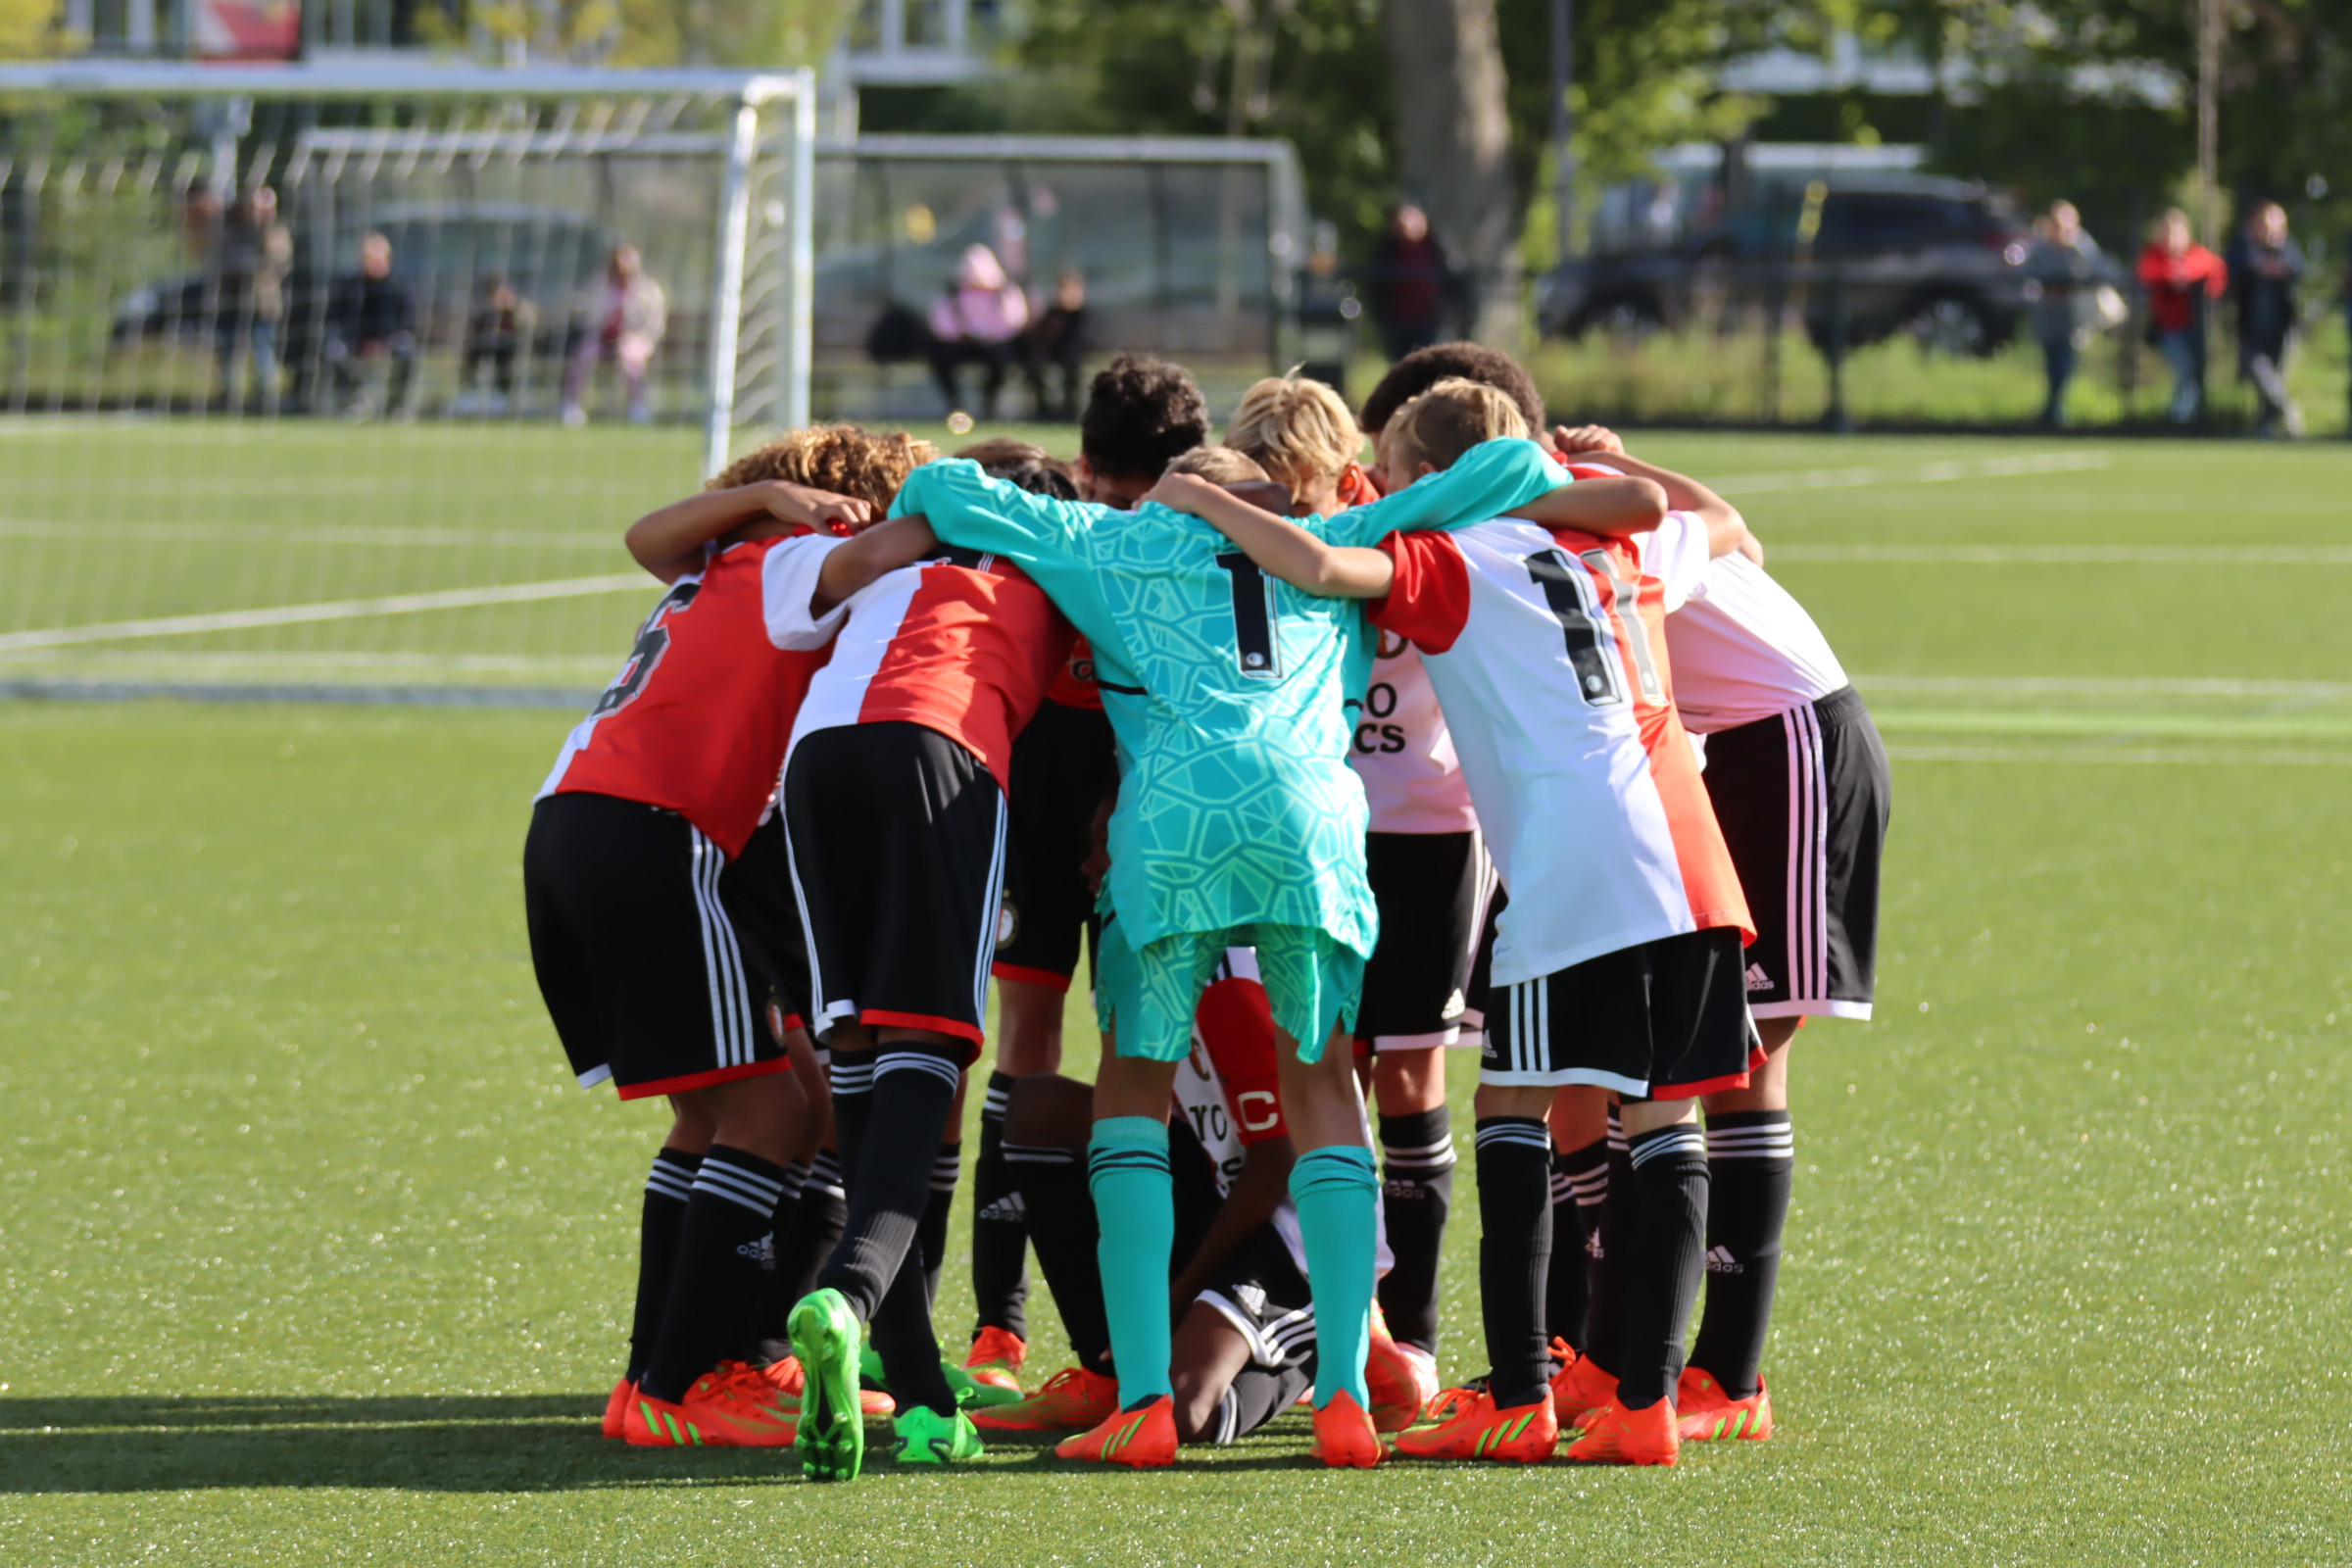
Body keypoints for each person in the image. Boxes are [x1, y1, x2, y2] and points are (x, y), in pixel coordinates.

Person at [894, 413, 1658, 1470]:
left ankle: (1146, 1400)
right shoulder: (1337, 533)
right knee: (1323, 1088)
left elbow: (946, 489)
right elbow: (1509, 467)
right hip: (1315, 826)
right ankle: (1345, 1395)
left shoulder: (1108, 538)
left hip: (1171, 826)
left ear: (1169, 492)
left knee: (1130, 1086)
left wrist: (889, 523)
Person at [1153, 378, 1758, 1468]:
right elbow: (1701, 524)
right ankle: (1646, 1406)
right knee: (1667, 1122)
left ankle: (1520, 1392)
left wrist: (1208, 505)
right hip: (1688, 843)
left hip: (1569, 856)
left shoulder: (1451, 554)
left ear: (1428, 481)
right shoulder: (1596, 536)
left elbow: (1325, 565)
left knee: (1512, 1102)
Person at [528, 426, 936, 1450]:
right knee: (773, 1106)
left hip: (583, 824)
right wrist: (990, 516)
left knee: (735, 1109)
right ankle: (683, 1383)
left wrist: (767, 499)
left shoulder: (716, 566)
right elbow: (883, 552)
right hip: (651, 834)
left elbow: (647, 534)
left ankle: (667, 1375)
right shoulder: (792, 563)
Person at [1550, 423, 1891, 1445]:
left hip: (1782, 741)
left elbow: (1736, 535)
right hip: (1729, 755)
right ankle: (1618, 1355)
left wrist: (1621, 466)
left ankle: (1730, 1376)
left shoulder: (1564, 508)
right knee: (1648, 1058)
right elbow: (1738, 532)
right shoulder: (1559, 497)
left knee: (1742, 1058)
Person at [760, 440, 1081, 1482]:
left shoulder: (878, 557)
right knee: (930, 1053)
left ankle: (918, 1390)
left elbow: (789, 615)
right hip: (942, 750)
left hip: (816, 762)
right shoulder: (1054, 566)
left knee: (857, 1044)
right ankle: (849, 1295)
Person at [959, 360, 1211, 1398]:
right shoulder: (1114, 530)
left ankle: (1029, 1331)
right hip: (1091, 819)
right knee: (1096, 1062)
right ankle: (1017, 1323)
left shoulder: (1085, 528)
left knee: (1075, 1059)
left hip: (1089, 822)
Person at [1222, 372, 1464, 1415]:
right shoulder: (1246, 530)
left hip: (1435, 826)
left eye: (1295, 482)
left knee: (1408, 1076)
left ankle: (1414, 1328)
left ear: (1339, 465)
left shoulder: (1400, 521)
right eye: (1262, 484)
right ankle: (1363, 1334)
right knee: (1333, 1074)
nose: (1282, 500)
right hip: (1322, 832)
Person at [981, 947, 1416, 1446]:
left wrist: (1176, 1296)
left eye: (1104, 859)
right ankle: (1109, 1378)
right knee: (1038, 1107)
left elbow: (1278, 1161)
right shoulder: (1138, 939)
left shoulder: (1234, 968)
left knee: (1184, 1412)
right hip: (1219, 1189)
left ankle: (1324, 1342)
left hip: (1288, 1227)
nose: (1084, 864)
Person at [2135, 209, 2228, 425]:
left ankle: (2185, 414)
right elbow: (2148, 274)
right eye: (2167, 233)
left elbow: (2215, 272)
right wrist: (2172, 276)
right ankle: (2179, 416)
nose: (2171, 239)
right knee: (2185, 367)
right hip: (2169, 327)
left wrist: (2187, 275)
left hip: (2196, 327)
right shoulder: (2154, 256)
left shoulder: (2197, 255)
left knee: (2195, 370)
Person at [563, 243, 666, 427]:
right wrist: (601, 328)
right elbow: (589, 313)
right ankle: (574, 406)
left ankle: (637, 405)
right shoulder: (601, 285)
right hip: (602, 339)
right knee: (583, 354)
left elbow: (655, 322)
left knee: (628, 354)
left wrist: (636, 334)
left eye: (628, 259)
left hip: (635, 339)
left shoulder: (648, 289)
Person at [2023, 200, 2104, 428]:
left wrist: (2076, 244)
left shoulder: (2082, 245)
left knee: (2066, 363)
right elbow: (2026, 272)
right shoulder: (2041, 247)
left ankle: (2056, 408)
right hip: (2049, 313)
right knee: (2051, 363)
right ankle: (2052, 408)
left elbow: (2099, 268)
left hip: (2074, 314)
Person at [2229, 201, 2306, 437]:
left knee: (2275, 379)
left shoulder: (2288, 248)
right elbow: (2231, 270)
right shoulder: (2244, 249)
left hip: (2282, 328)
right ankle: (2288, 411)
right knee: (2261, 374)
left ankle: (2265, 428)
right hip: (2251, 328)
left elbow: (2301, 269)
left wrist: (2281, 267)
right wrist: (2256, 267)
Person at [210, 186, 290, 413]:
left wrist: (262, 235)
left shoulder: (275, 232)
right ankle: (229, 397)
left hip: (262, 303)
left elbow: (279, 262)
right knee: (229, 349)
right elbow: (219, 258)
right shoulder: (232, 229)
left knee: (262, 348)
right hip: (232, 299)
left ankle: (267, 398)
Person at [928, 243, 1030, 420]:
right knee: (940, 359)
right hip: (962, 344)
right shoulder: (954, 293)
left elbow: (1014, 319)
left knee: (1001, 361)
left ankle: (989, 401)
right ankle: (955, 404)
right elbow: (941, 322)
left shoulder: (1004, 292)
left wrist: (991, 335)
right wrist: (962, 334)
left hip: (994, 344)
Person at [323, 231, 416, 420]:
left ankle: (396, 406)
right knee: (334, 350)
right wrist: (357, 341)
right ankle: (353, 401)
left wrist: (383, 342)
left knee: (406, 349)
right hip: (355, 341)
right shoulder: (350, 286)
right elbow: (335, 319)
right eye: (369, 258)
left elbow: (408, 321)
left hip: (389, 341)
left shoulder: (399, 285)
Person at [1365, 204, 1456, 363]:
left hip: (1431, 321)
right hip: (1398, 321)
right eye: (1401, 220)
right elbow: (1376, 287)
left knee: (1432, 364)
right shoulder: (1386, 250)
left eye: (1412, 220)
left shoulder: (1438, 248)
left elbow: (1455, 282)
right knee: (1402, 365)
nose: (1406, 225)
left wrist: (1453, 314)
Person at [458, 274, 535, 416]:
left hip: (512, 347)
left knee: (506, 361)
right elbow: (474, 330)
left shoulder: (520, 306)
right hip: (487, 346)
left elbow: (528, 328)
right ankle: (470, 393)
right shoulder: (485, 310)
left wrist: (511, 309)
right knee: (472, 354)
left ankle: (503, 396)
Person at [1022, 270, 1091, 420]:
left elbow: (1082, 340)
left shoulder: (1082, 315)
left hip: (1073, 355)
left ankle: (1069, 409)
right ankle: (1044, 409)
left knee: (1072, 369)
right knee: (1034, 368)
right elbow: (1042, 336)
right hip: (1053, 353)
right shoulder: (1053, 312)